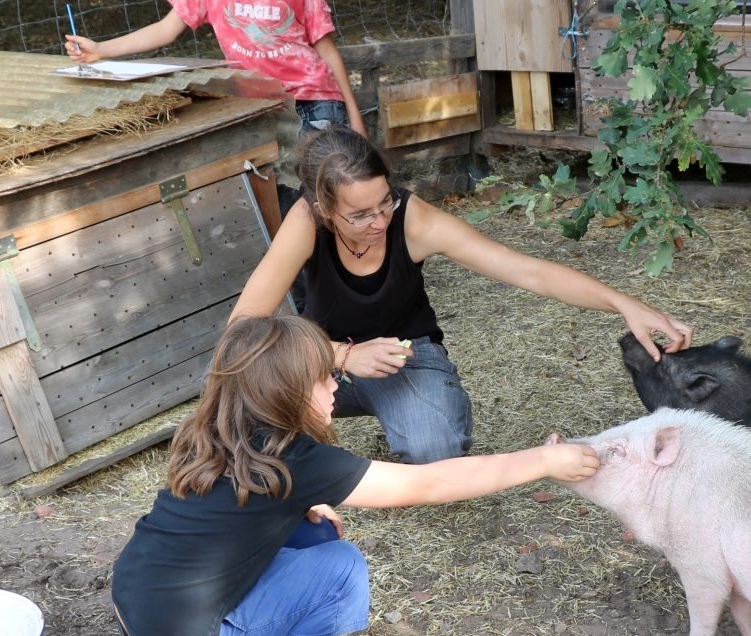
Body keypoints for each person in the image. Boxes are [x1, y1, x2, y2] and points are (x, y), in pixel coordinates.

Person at [110, 315, 600, 635]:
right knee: (342, 567)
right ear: (287, 392)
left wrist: (303, 505)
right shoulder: (298, 458)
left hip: (134, 598)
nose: (334, 389)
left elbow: (226, 514)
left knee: (314, 529)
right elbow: (427, 483)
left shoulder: (216, 431)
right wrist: (542, 461)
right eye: (326, 377)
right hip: (189, 627)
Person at [227, 128, 693, 464]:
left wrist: (624, 304)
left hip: (404, 359)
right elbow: (243, 327)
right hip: (322, 364)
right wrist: (342, 356)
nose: (379, 220)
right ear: (326, 209)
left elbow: (527, 271)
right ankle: (330, 415)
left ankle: (414, 411)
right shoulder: (307, 222)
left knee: (435, 448)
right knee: (242, 398)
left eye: (384, 201)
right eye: (360, 214)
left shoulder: (412, 218)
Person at [64, 0, 366, 136]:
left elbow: (327, 52)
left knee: (329, 195)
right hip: (256, 105)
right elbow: (164, 30)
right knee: (284, 201)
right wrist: (101, 50)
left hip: (315, 102)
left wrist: (356, 120)